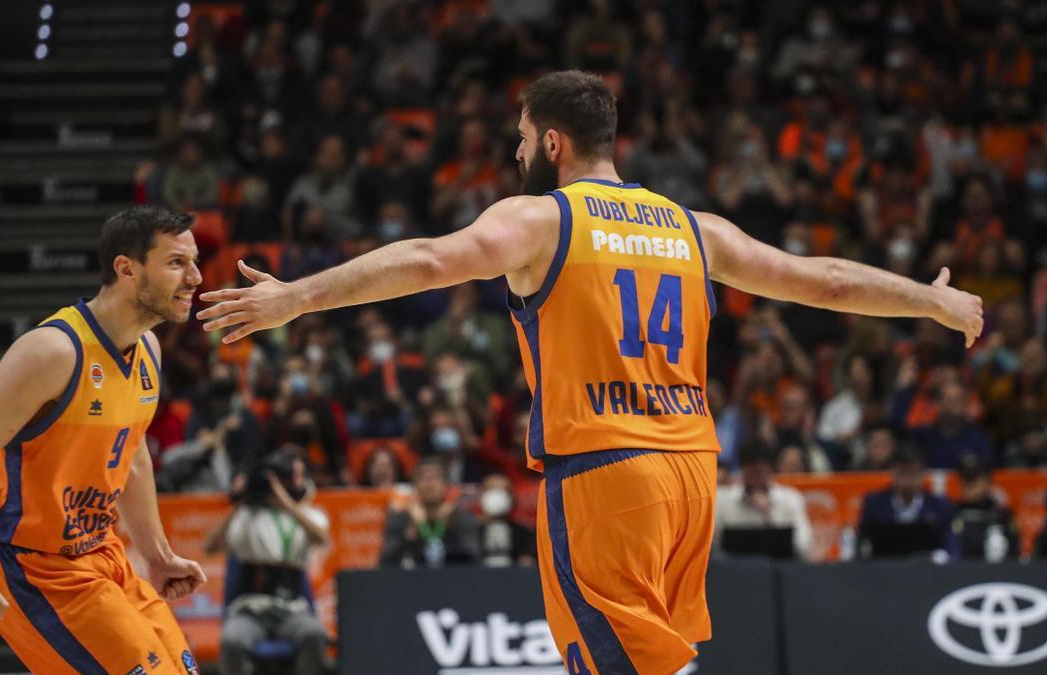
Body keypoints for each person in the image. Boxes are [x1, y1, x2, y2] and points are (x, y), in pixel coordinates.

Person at [198, 71, 983, 674]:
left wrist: (296, 296)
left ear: (551, 144)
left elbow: (431, 260)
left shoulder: (540, 216)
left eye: (520, 137)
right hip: (692, 472)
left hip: (608, 475)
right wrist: (931, 301)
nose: (513, 152)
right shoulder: (691, 225)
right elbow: (828, 281)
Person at [0, 206, 207, 674]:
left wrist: (157, 555)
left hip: (103, 553)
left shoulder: (149, 350)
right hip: (34, 567)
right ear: (126, 268)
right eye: (177, 263)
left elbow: (132, 453)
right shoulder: (53, 352)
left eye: (194, 261)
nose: (196, 277)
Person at [205, 448, 329, 675]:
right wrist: (240, 501)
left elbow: (321, 537)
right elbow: (210, 547)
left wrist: (284, 502)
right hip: (250, 609)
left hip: (292, 609)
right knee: (232, 639)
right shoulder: (247, 516)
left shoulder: (308, 514)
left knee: (315, 634)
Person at [714, 446, 813, 560]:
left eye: (760, 473)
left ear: (770, 470)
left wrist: (769, 514)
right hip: (734, 570)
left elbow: (804, 547)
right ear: (742, 471)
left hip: (780, 570)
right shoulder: (724, 499)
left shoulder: (791, 498)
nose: (756, 479)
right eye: (751, 473)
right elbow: (714, 547)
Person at [857, 451, 960, 559]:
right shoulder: (874, 504)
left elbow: (952, 547)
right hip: (885, 568)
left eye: (913, 474)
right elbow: (863, 543)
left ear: (922, 474)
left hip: (927, 570)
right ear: (893, 473)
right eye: (902, 473)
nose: (907, 480)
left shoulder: (940, 506)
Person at [379, 457, 479, 568]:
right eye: (423, 478)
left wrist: (450, 528)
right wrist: (409, 534)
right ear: (414, 486)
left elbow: (474, 560)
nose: (429, 484)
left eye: (435, 478)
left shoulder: (462, 519)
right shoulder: (399, 520)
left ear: (446, 486)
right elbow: (385, 564)